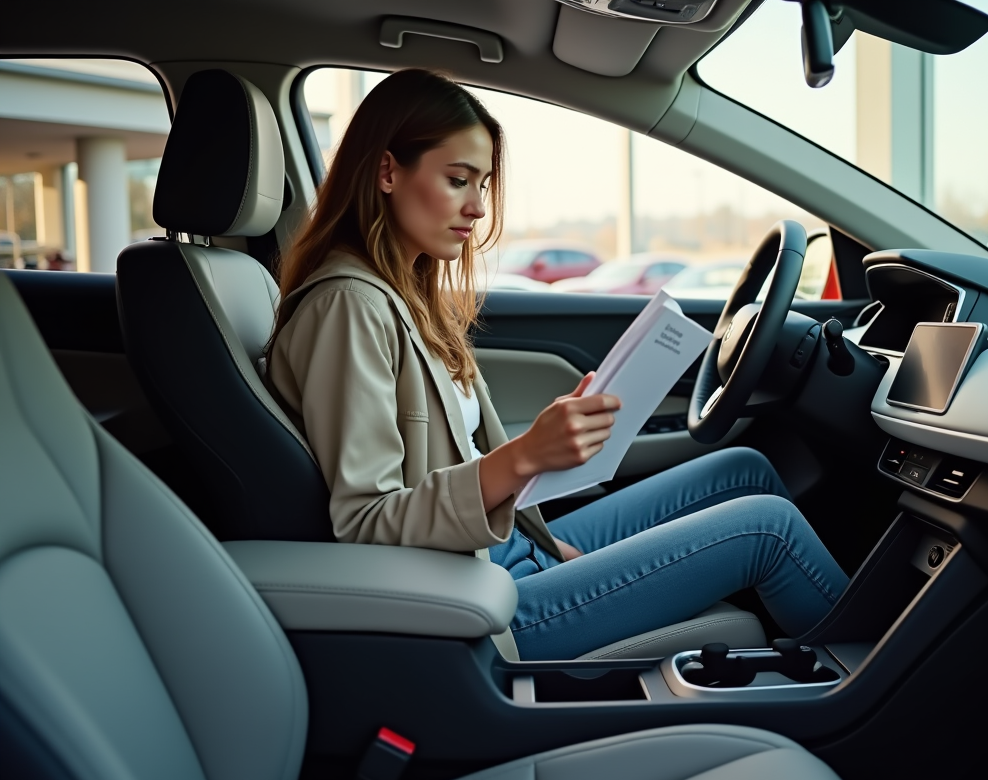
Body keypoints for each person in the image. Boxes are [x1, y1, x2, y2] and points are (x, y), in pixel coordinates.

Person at [266, 69, 848, 660]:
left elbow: (450, 458)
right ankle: (879, 694)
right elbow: (367, 521)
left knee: (742, 470)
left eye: (483, 184)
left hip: (507, 547)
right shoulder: (348, 307)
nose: (477, 208)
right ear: (388, 172)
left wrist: (549, 469)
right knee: (766, 528)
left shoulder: (402, 296)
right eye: (457, 180)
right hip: (483, 600)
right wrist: (524, 457)